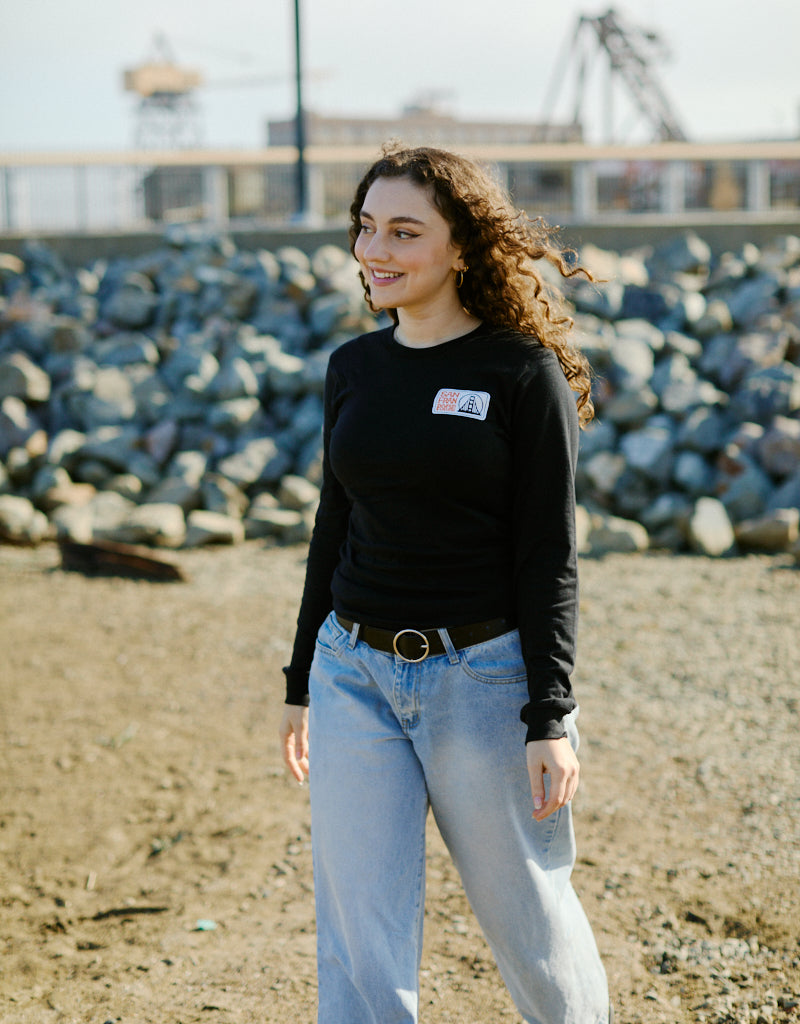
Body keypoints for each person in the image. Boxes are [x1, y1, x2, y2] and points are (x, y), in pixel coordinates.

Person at [279, 143, 611, 1024]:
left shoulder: (518, 372)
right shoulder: (353, 368)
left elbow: (549, 555)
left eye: (403, 231)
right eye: (365, 228)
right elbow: (333, 526)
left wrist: (549, 714)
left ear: (461, 248)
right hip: (355, 674)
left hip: (483, 684)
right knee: (359, 946)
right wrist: (301, 678)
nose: (374, 250)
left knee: (534, 928)